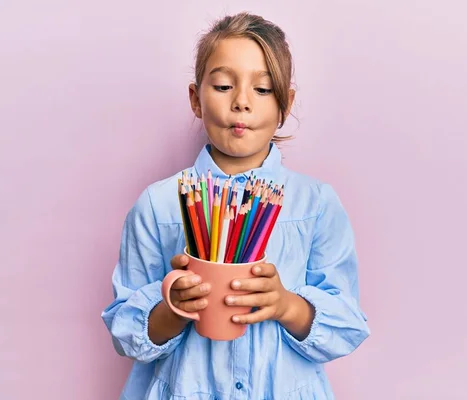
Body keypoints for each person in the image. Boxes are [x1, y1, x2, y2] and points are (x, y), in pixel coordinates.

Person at [101, 11, 370, 400]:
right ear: (196, 98)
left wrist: (285, 305)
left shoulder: (316, 205)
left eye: (262, 90)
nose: (242, 102)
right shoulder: (158, 206)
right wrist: (173, 308)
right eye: (224, 85)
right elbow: (126, 332)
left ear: (285, 104)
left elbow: (346, 324)